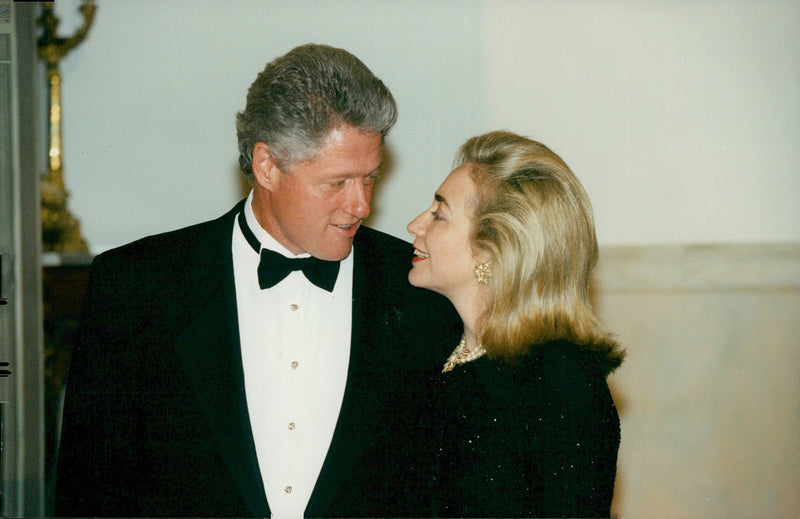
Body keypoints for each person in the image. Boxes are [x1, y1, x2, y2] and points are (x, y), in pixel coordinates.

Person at [55, 43, 459, 518]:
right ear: (266, 165)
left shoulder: (417, 288)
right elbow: (90, 494)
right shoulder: (137, 286)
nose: (361, 206)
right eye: (337, 182)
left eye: (369, 178)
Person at [407, 130, 625, 518]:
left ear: (492, 249)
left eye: (439, 215)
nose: (414, 225)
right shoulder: (433, 346)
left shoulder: (561, 378)